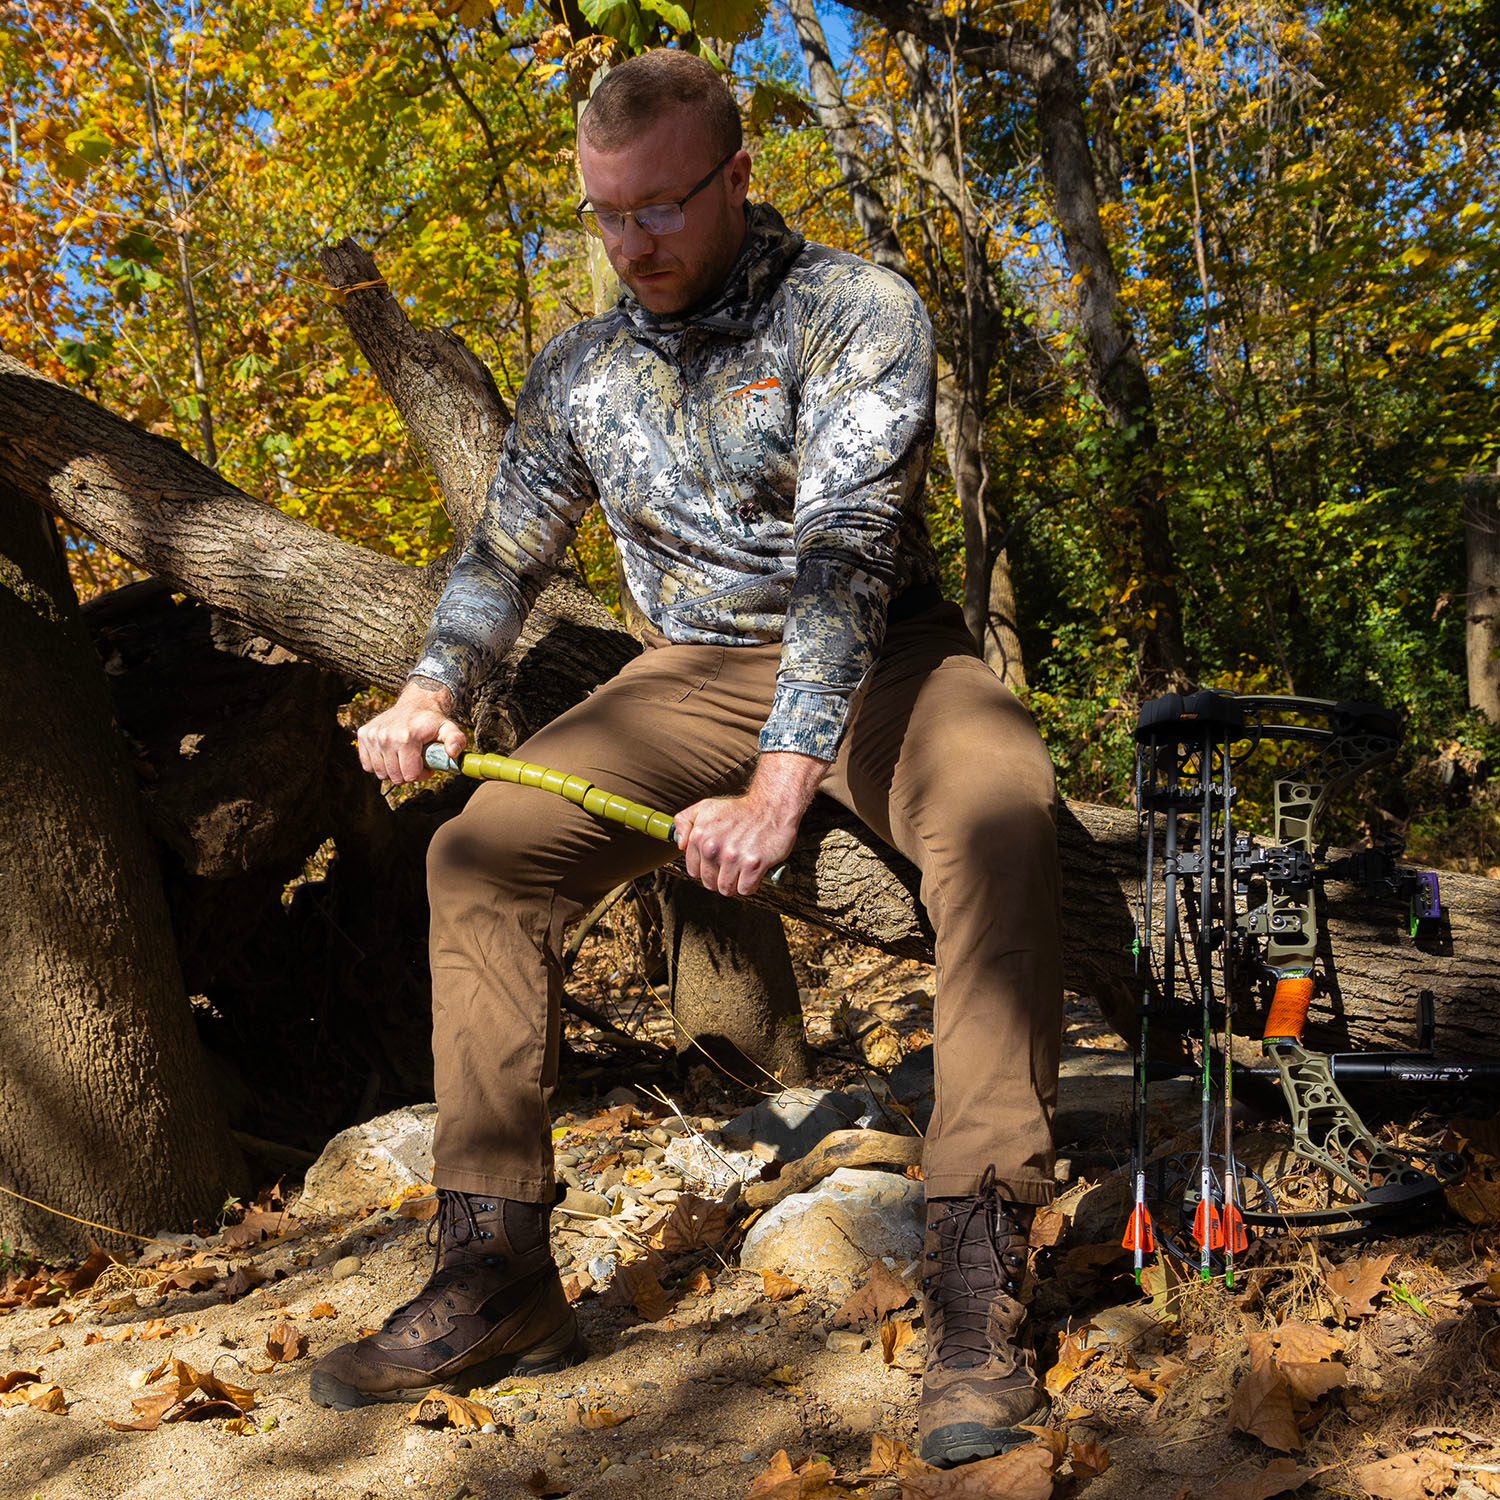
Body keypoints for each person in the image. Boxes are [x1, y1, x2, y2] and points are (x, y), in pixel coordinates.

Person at [310, 49, 1063, 1470]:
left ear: (735, 175)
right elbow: (504, 552)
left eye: (661, 208)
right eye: (606, 214)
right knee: (477, 857)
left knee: (1000, 821)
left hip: (890, 656)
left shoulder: (857, 311)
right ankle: (497, 1273)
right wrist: (429, 687)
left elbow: (844, 558)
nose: (632, 243)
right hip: (688, 676)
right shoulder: (586, 366)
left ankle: (977, 1273)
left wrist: (783, 788)